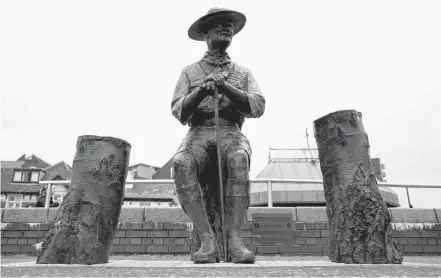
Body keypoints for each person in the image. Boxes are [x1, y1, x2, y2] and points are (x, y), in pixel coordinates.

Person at [171, 8, 265, 264]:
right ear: (205, 33)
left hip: (231, 131)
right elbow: (178, 111)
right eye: (219, 25)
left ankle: (235, 240)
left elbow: (257, 107)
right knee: (181, 163)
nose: (226, 28)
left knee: (238, 158)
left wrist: (227, 87)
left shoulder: (243, 72)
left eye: (229, 25)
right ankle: (207, 238)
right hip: (198, 132)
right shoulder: (189, 72)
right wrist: (200, 92)